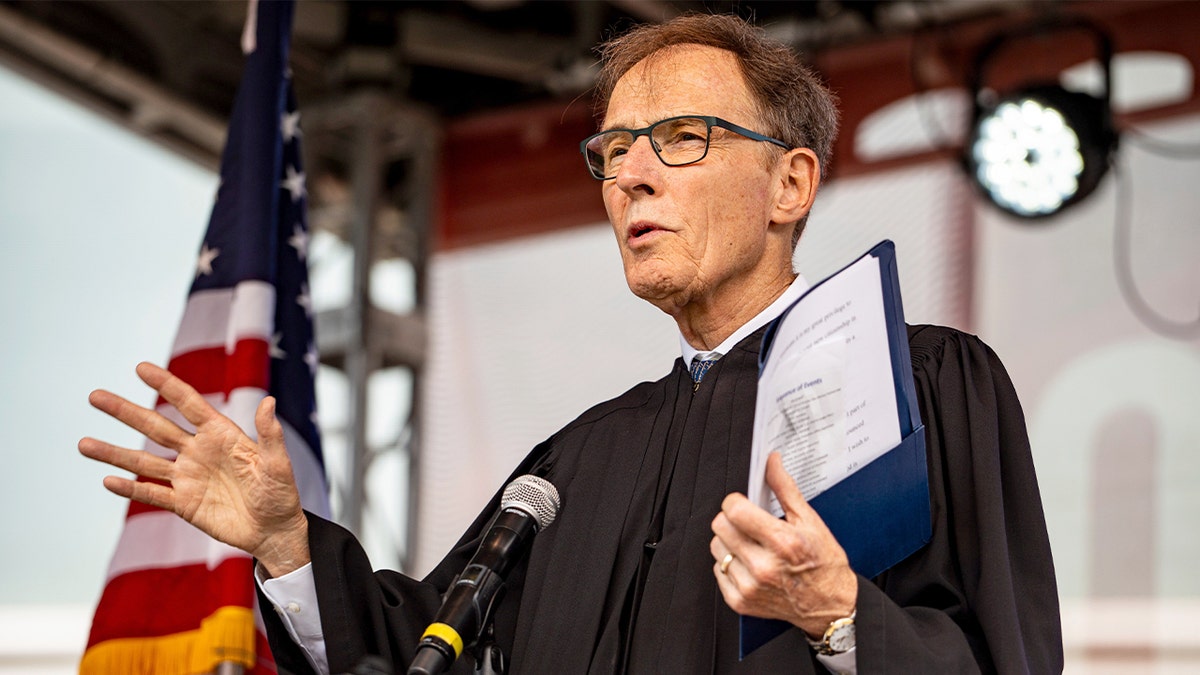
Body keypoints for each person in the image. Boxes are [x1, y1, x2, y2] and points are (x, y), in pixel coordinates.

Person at [80, 13, 1062, 675]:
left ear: (790, 185)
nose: (631, 175)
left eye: (681, 136)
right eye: (613, 149)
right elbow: (423, 645)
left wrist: (841, 613)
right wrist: (288, 545)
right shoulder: (577, 462)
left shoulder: (921, 382)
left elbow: (1003, 653)